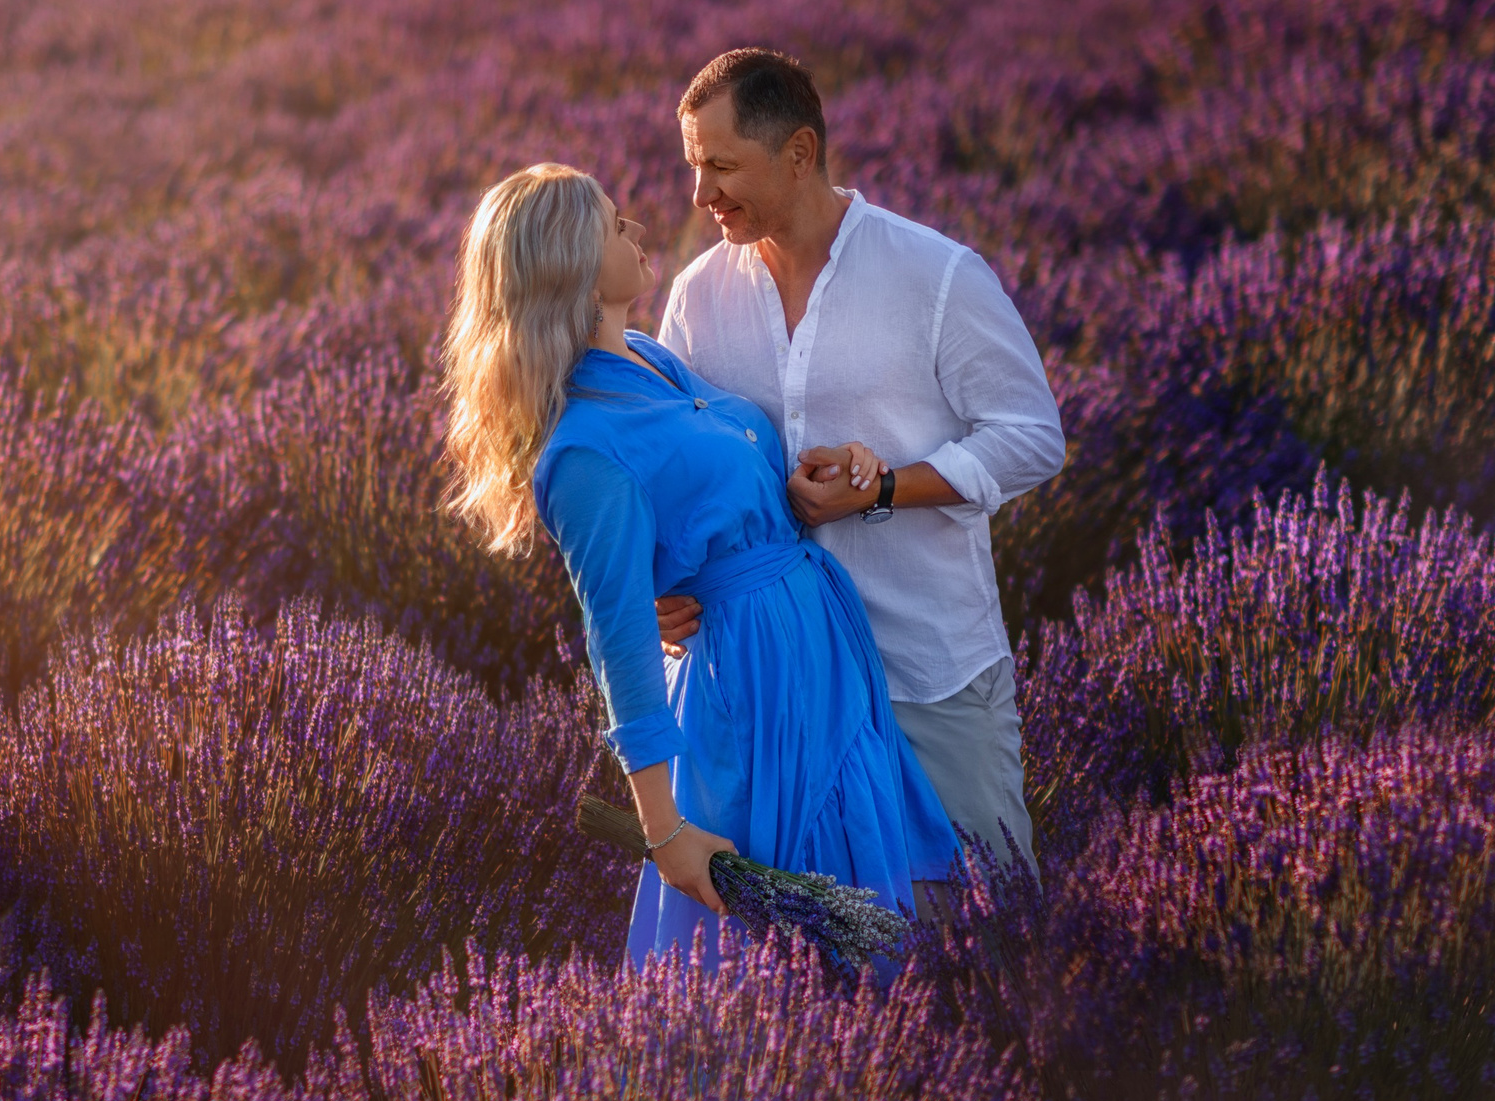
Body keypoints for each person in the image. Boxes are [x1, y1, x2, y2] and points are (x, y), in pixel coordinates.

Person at [442, 162, 962, 967]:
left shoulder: (650, 358)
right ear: (571, 263)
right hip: (746, 691)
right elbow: (617, 644)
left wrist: (805, 484)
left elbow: (712, 496)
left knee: (870, 911)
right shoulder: (584, 451)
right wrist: (666, 831)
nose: (637, 231)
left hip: (818, 661)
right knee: (779, 946)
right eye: (614, 226)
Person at [656, 50, 1065, 882]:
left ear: (799, 153)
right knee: (817, 964)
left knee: (986, 932)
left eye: (723, 166)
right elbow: (670, 475)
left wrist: (881, 489)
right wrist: (656, 588)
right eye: (695, 166)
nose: (701, 195)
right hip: (780, 692)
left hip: (925, 671)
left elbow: (1030, 435)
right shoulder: (698, 297)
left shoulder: (935, 274)